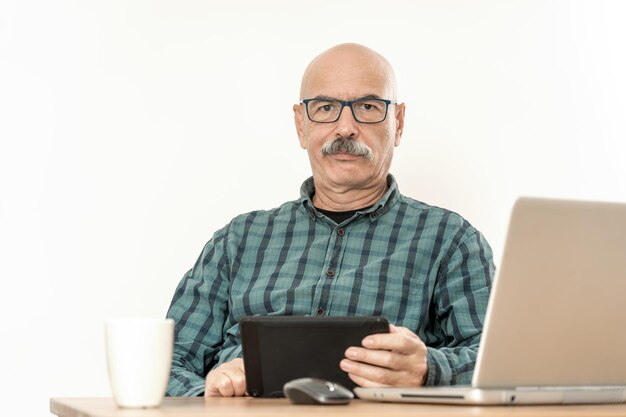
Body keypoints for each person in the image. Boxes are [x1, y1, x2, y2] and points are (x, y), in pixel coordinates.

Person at [166, 43, 495, 397]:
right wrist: (211, 394)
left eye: (367, 107)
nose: (345, 128)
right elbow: (166, 361)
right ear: (301, 125)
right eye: (325, 108)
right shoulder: (237, 242)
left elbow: (498, 363)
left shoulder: (451, 241)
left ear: (397, 123)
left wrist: (428, 369)